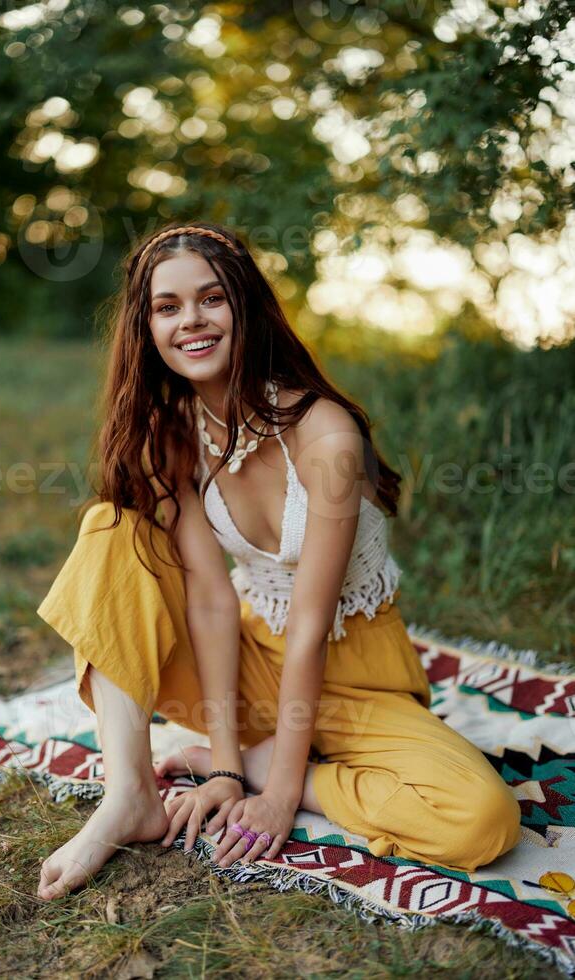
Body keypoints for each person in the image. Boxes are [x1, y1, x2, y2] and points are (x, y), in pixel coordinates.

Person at [35, 221, 522, 902]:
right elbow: (208, 598)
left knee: (483, 819)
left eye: (212, 299)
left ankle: (282, 761)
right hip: (249, 665)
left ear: (246, 306)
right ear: (145, 329)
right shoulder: (175, 434)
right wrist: (226, 773)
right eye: (167, 308)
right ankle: (130, 795)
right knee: (112, 528)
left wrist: (277, 789)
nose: (191, 322)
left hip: (356, 677)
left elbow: (312, 626)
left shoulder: (326, 435)